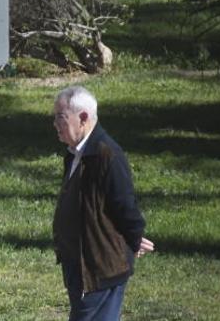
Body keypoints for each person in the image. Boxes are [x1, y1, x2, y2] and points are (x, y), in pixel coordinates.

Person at [51, 86, 154, 321]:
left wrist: (135, 238)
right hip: (79, 265)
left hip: (99, 268)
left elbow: (125, 207)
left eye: (61, 117)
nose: (55, 124)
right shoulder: (75, 153)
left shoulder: (107, 155)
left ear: (83, 118)